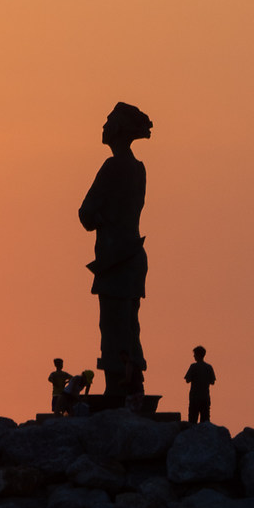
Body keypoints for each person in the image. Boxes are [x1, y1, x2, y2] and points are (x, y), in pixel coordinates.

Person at [78, 102, 153, 405]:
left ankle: (117, 387)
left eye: (108, 120)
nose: (103, 125)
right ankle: (134, 383)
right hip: (133, 255)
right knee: (130, 325)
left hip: (115, 259)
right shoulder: (138, 169)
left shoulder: (113, 167)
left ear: (118, 129)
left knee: (112, 328)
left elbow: (85, 213)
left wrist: (101, 220)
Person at [184, 346, 216, 425]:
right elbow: (212, 382)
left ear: (197, 355)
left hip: (194, 398)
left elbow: (187, 380)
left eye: (194, 354)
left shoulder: (193, 367)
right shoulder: (209, 367)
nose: (194, 356)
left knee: (192, 421)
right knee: (205, 422)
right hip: (205, 397)